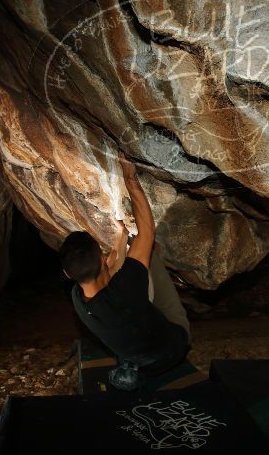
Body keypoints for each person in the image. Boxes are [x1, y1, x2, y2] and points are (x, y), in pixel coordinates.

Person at [60, 154, 191, 386]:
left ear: (68, 274)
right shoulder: (126, 289)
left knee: (133, 270)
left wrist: (121, 235)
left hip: (137, 358)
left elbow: (108, 271)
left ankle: (132, 360)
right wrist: (130, 178)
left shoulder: (78, 298)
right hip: (172, 350)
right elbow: (147, 233)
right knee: (149, 257)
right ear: (102, 259)